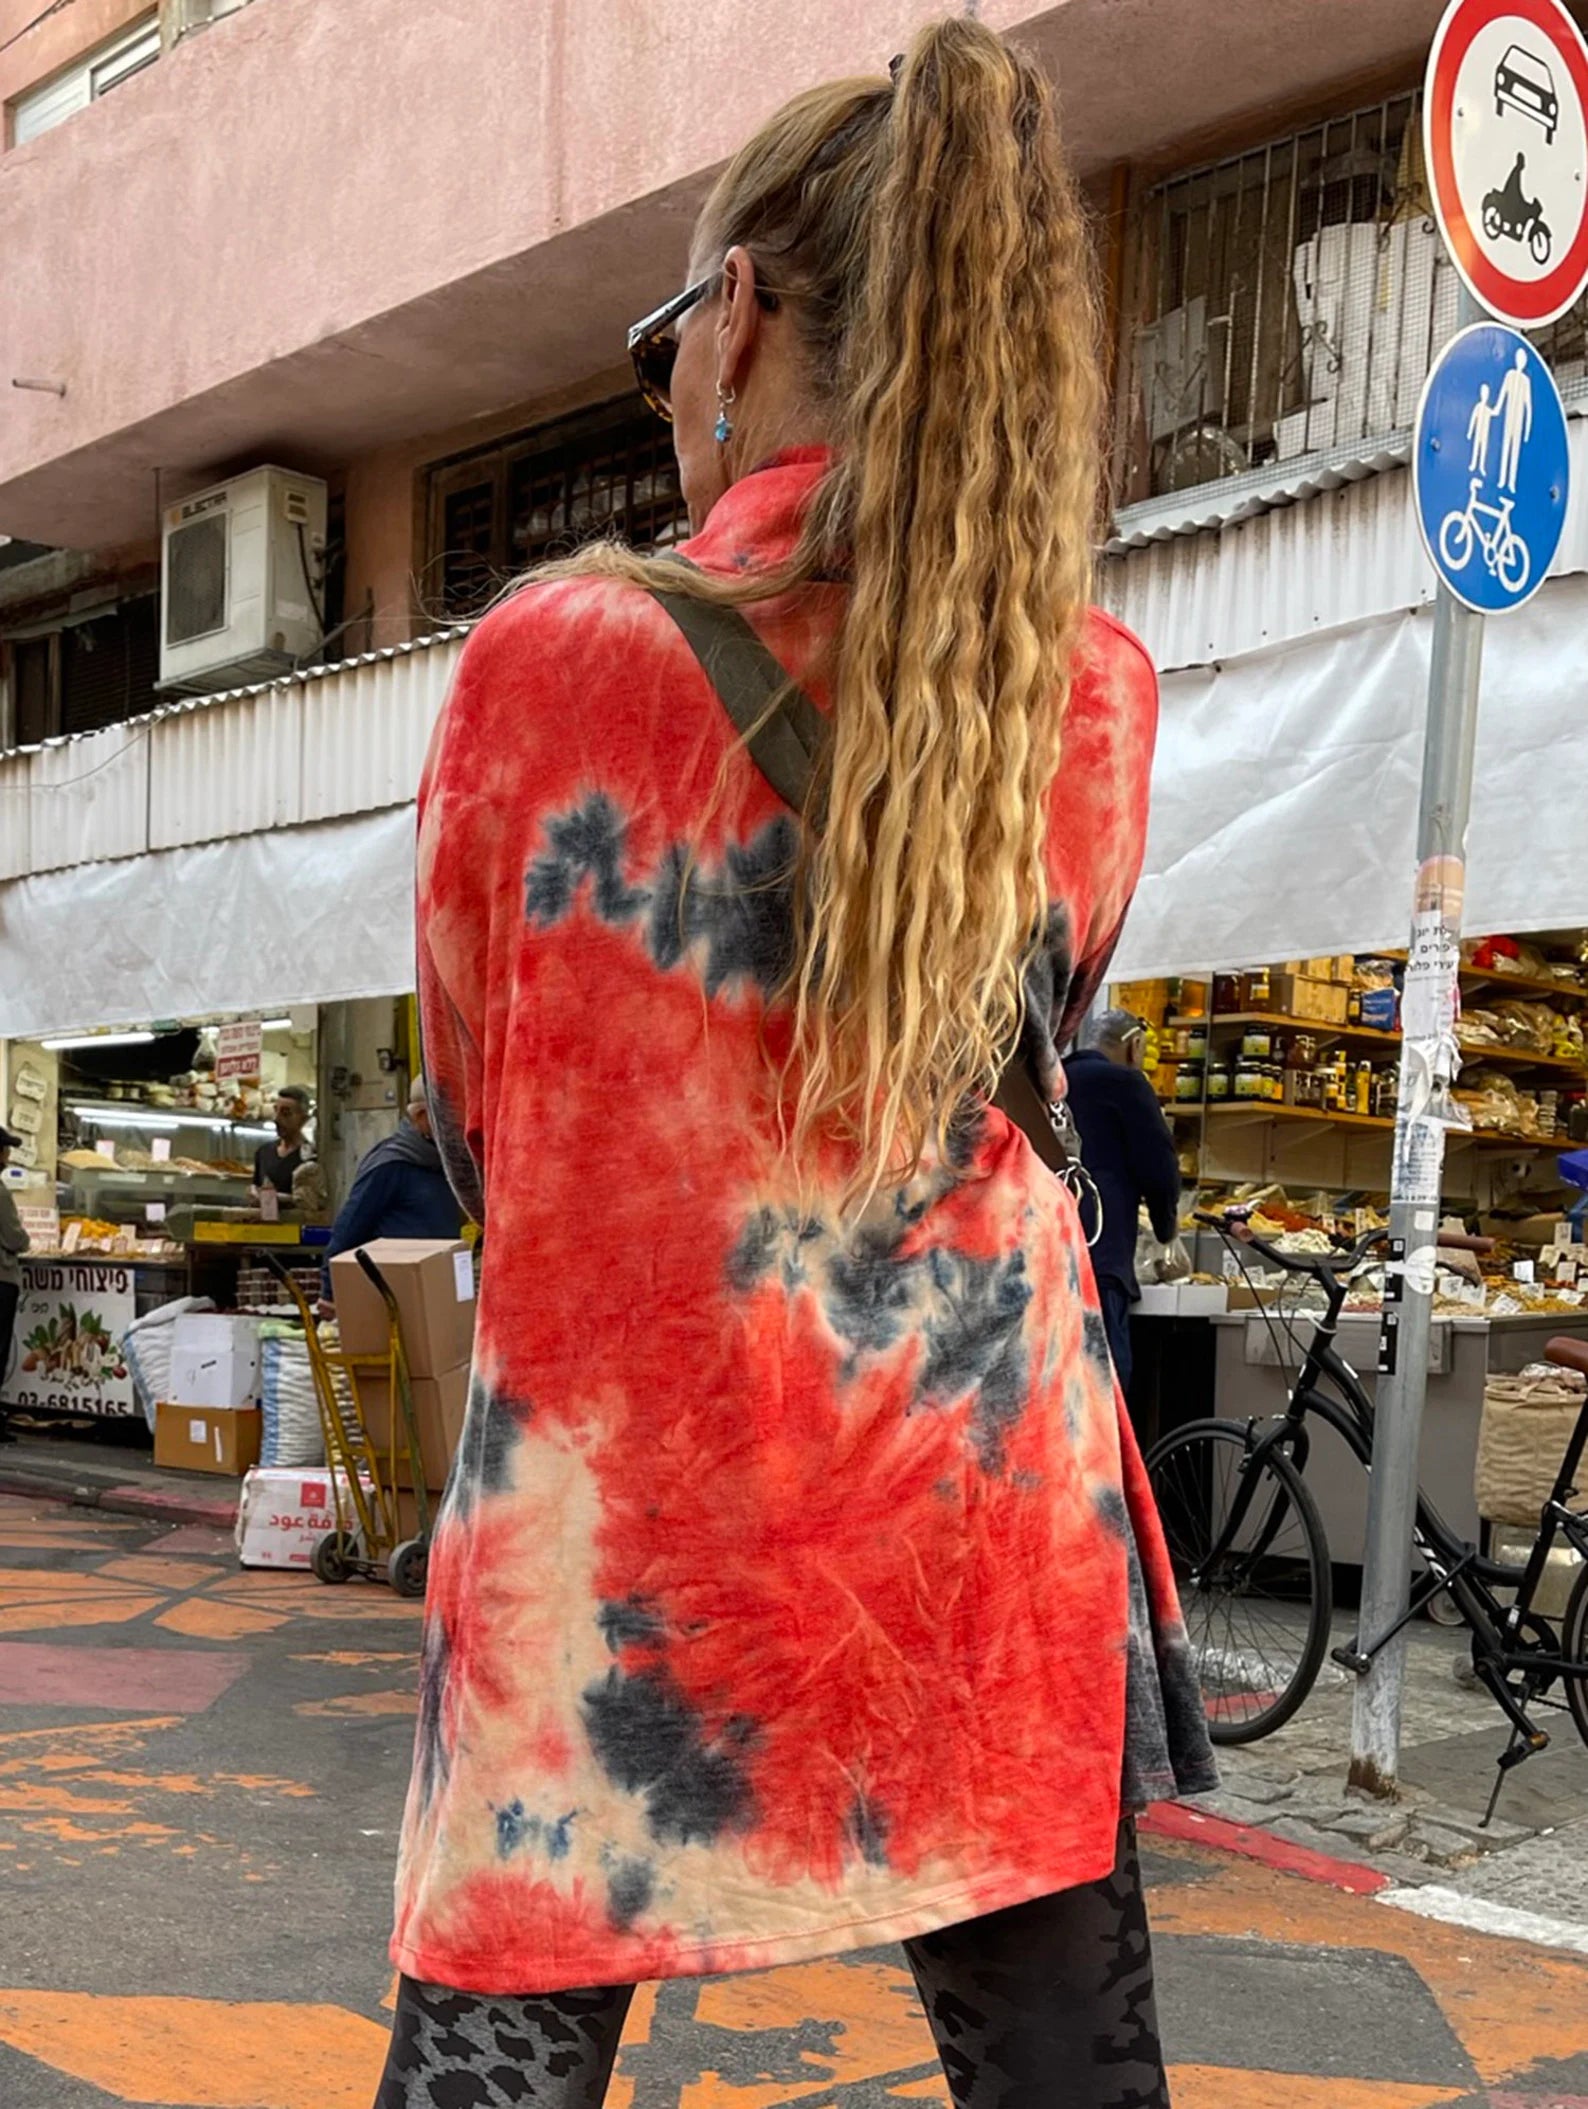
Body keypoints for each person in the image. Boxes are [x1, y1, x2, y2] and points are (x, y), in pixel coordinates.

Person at [375, 25, 1214, 2109]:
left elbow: (480, 1105)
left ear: (736, 316)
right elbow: (1029, 1036)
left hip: (618, 1535)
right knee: (1062, 2075)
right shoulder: (1080, 693)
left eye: (669, 327)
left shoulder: (546, 666)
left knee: (502, 2039)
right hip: (968, 1514)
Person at [1062, 1011, 1183, 1401]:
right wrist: (1166, 1231)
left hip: (1049, 1251)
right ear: (1133, 1047)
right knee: (1106, 1389)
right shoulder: (1125, 1083)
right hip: (1104, 1258)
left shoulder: (1052, 1082)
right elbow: (1159, 1166)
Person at [322, 1079, 464, 1287]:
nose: (458, 1123)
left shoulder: (449, 1164)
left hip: (440, 1284)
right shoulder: (390, 1164)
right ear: (422, 1116)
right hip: (395, 1291)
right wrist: (329, 1290)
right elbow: (349, 1228)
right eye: (450, 1115)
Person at [0, 1126, 29, 1446]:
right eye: (5, 1151)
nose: (7, 1158)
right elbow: (14, 1238)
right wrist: (26, 1240)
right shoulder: (0, 1192)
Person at [253, 1084, 312, 1198]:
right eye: (276, 1111)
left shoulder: (309, 1158)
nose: (277, 1119)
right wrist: (253, 1192)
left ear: (303, 1119)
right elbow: (256, 1185)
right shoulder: (264, 1152)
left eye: (286, 1114)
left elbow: (309, 1202)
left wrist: (281, 1199)